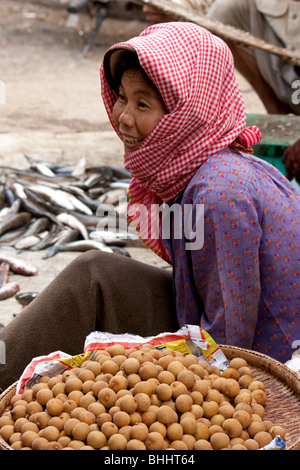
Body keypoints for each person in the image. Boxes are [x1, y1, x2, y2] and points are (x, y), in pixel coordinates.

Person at [0, 22, 300, 392]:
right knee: (93, 274)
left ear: (187, 114)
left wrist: (149, 384)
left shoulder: (219, 196)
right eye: (122, 97)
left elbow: (228, 350)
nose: (123, 116)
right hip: (203, 318)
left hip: (268, 365)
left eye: (143, 104)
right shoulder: (208, 160)